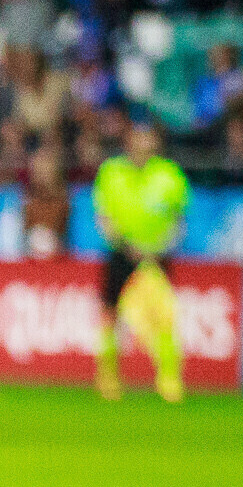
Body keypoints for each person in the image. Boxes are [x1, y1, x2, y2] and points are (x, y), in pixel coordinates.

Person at [92, 116, 191, 403]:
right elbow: (103, 217)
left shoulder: (169, 174)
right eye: (137, 136)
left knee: (164, 314)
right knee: (110, 312)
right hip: (122, 254)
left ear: (155, 142)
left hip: (157, 256)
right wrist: (126, 245)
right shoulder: (111, 172)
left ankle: (169, 378)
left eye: (147, 137)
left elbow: (179, 222)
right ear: (128, 140)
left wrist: (157, 248)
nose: (142, 143)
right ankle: (108, 376)